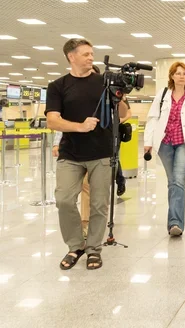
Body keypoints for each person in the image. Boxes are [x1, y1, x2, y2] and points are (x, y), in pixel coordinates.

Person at [46, 38, 128, 270]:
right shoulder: (58, 86)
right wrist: (80, 126)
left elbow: (123, 112)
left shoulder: (104, 82)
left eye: (92, 53)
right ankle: (75, 245)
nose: (91, 57)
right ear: (71, 57)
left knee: (99, 204)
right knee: (64, 200)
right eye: (86, 54)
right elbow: (52, 121)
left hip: (101, 153)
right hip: (70, 154)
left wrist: (119, 96)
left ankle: (93, 249)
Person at [144, 62, 185, 236]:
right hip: (165, 143)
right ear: (172, 76)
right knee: (172, 182)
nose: (181, 76)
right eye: (178, 73)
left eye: (184, 74)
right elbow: (153, 118)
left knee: (178, 180)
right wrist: (148, 141)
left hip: (184, 143)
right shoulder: (163, 94)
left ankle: (175, 223)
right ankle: (174, 221)